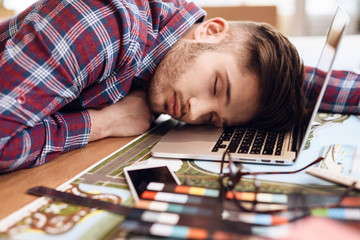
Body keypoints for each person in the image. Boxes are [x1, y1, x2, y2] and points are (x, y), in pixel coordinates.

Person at [0, 0, 358, 173]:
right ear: (212, 30)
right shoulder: (103, 28)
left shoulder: (186, 42)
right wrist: (105, 123)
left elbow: (292, 83)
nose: (195, 112)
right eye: (217, 87)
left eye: (215, 118)